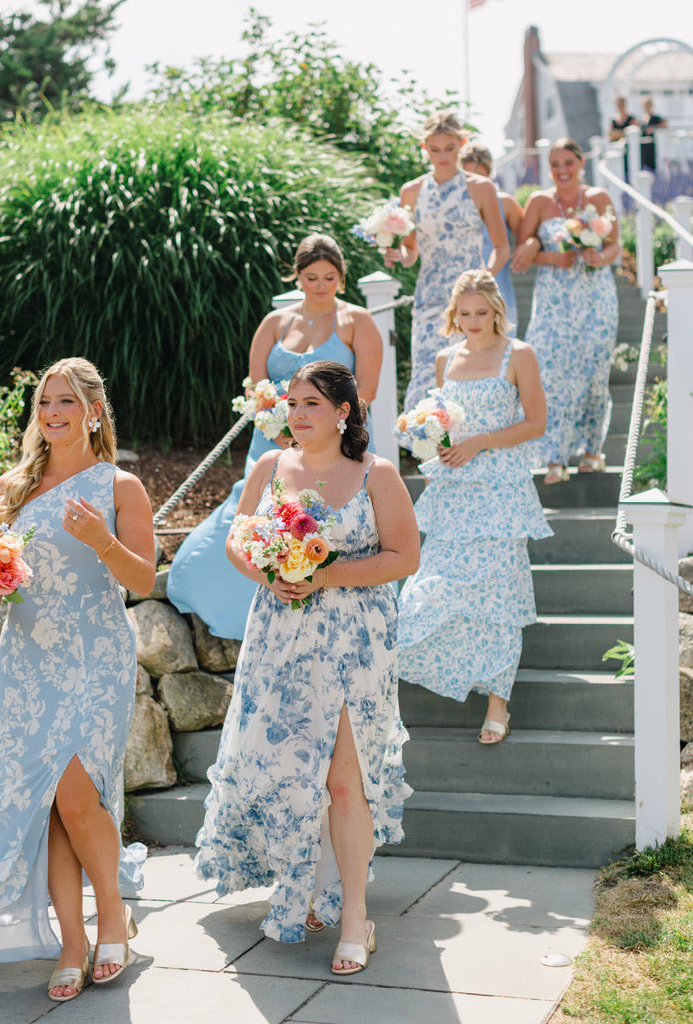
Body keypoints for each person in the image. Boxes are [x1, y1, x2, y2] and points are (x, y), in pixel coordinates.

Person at [0, 358, 156, 1002]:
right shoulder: (11, 489)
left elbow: (141, 582)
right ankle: (73, 941)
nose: (52, 413)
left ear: (93, 411)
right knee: (53, 805)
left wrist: (101, 540)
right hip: (28, 661)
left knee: (78, 796)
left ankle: (110, 919)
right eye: (45, 403)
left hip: (95, 656)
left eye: (66, 402)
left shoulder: (119, 487)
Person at [194, 360, 420, 976]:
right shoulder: (270, 468)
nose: (296, 414)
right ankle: (302, 887)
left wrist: (321, 574)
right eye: (292, 403)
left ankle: (354, 918)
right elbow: (239, 538)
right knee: (289, 773)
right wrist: (270, 570)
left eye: (311, 403)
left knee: (344, 781)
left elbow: (405, 556)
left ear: (343, 412)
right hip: (280, 638)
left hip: (355, 644)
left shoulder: (377, 475)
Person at [166, 233, 383, 639]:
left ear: (342, 277)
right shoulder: (274, 322)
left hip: (334, 442)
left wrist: (317, 434)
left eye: (330, 277)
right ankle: (243, 608)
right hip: (271, 443)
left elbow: (365, 391)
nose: (321, 285)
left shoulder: (358, 322)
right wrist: (279, 428)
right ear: (297, 277)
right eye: (312, 276)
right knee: (249, 523)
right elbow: (256, 388)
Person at [397, 270, 551, 744]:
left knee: (500, 596)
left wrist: (481, 442)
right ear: (453, 314)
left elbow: (537, 423)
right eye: (464, 314)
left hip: (502, 490)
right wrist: (437, 443)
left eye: (481, 312)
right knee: (432, 586)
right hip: (453, 491)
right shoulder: (445, 359)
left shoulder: (518, 353)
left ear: (496, 311)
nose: (472, 321)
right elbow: (441, 422)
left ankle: (498, 704)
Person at [384, 112, 510, 411]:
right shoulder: (411, 192)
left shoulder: (481, 188)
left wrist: (484, 281)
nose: (442, 156)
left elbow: (502, 248)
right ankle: (431, 453)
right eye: (435, 149)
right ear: (424, 148)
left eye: (449, 148)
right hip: (430, 298)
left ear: (461, 144)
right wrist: (397, 255)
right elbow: (411, 250)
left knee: (474, 379)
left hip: (474, 302)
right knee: (426, 381)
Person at [511, 138, 620, 484]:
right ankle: (554, 457)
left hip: (596, 298)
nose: (561, 170)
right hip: (555, 301)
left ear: (581, 163)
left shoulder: (599, 198)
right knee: (551, 374)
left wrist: (601, 256)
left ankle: (592, 451)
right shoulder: (540, 201)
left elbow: (615, 243)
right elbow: (523, 253)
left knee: (594, 375)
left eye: (568, 163)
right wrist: (552, 257)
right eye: (555, 164)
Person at [459, 141, 523, 335]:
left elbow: (528, 236)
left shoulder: (505, 202)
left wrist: (530, 244)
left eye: (481, 176)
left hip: (496, 286)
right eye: (468, 175)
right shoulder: (454, 206)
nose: (476, 182)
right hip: (460, 285)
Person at [608, 96, 637, 180]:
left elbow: (634, 134)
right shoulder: (613, 120)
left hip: (630, 151)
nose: (620, 106)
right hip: (617, 151)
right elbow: (610, 136)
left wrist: (618, 134)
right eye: (619, 104)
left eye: (622, 104)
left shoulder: (631, 118)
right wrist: (623, 134)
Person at [640, 97, 667, 172]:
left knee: (654, 166)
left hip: (653, 147)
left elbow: (665, 125)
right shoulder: (642, 119)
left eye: (648, 104)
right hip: (644, 148)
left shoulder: (656, 118)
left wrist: (653, 128)